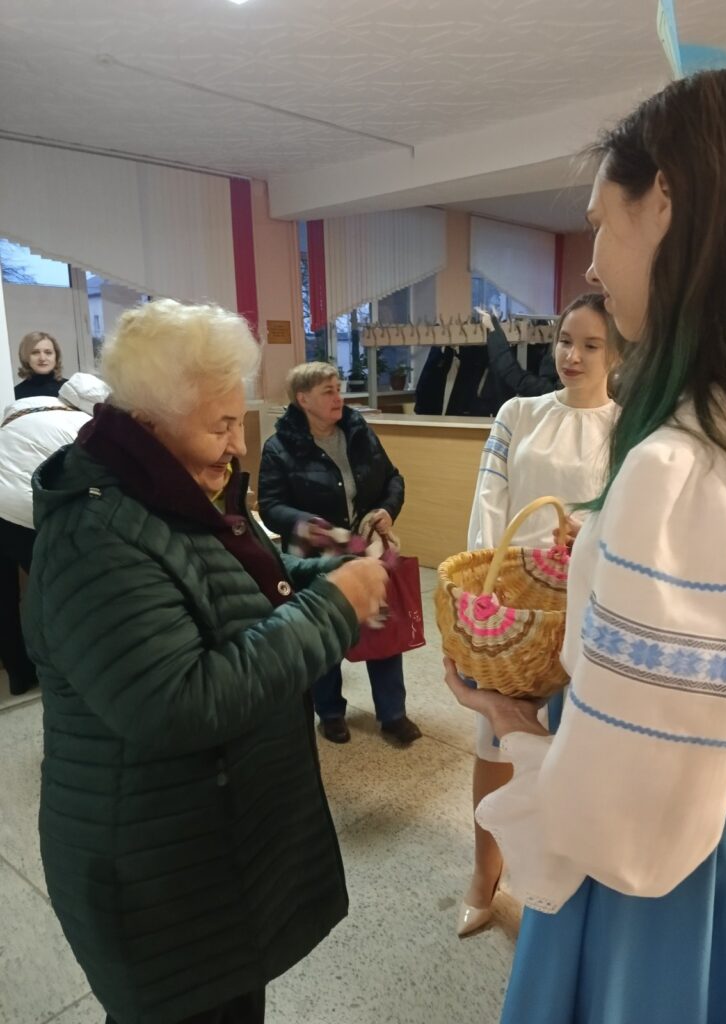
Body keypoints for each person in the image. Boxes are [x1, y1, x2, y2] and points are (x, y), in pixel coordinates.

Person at [446, 68, 726, 1024]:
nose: (590, 262)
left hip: (662, 883)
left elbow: (617, 821)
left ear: (663, 200)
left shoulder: (678, 468)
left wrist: (511, 719)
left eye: (599, 222)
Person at [22, 300, 389, 1024]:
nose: (237, 446)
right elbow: (179, 700)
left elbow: (227, 586)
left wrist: (319, 574)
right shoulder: (97, 535)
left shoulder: (167, 489)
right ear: (150, 422)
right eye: (220, 426)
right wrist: (331, 609)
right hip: (156, 878)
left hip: (207, 850)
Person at [457, 293, 617, 936]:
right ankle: (483, 871)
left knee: (572, 749)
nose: (571, 356)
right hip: (512, 609)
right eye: (565, 341)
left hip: (586, 608)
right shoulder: (518, 413)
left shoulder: (629, 428)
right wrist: (483, 592)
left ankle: (559, 880)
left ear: (616, 354)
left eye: (590, 344)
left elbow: (625, 520)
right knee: (496, 742)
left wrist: (592, 533)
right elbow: (488, 501)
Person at [258, 361, 422, 745]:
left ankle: (393, 714)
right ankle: (330, 712)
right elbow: (270, 505)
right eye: (328, 391)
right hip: (316, 557)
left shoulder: (359, 433)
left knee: (382, 627)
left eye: (339, 388)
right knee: (326, 632)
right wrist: (307, 523)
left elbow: (392, 478)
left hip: (366, 550)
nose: (339, 398)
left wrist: (387, 509)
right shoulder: (280, 447)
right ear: (303, 399)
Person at [0, 372, 108, 695]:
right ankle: (67, 674)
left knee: (5, 598)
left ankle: (18, 676)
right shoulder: (82, 425)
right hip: (23, 512)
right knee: (56, 594)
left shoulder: (22, 408)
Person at [14, 331, 68, 399]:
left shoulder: (72, 390)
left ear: (56, 356)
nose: (42, 358)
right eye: (35, 352)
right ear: (25, 357)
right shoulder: (15, 394)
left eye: (48, 352)